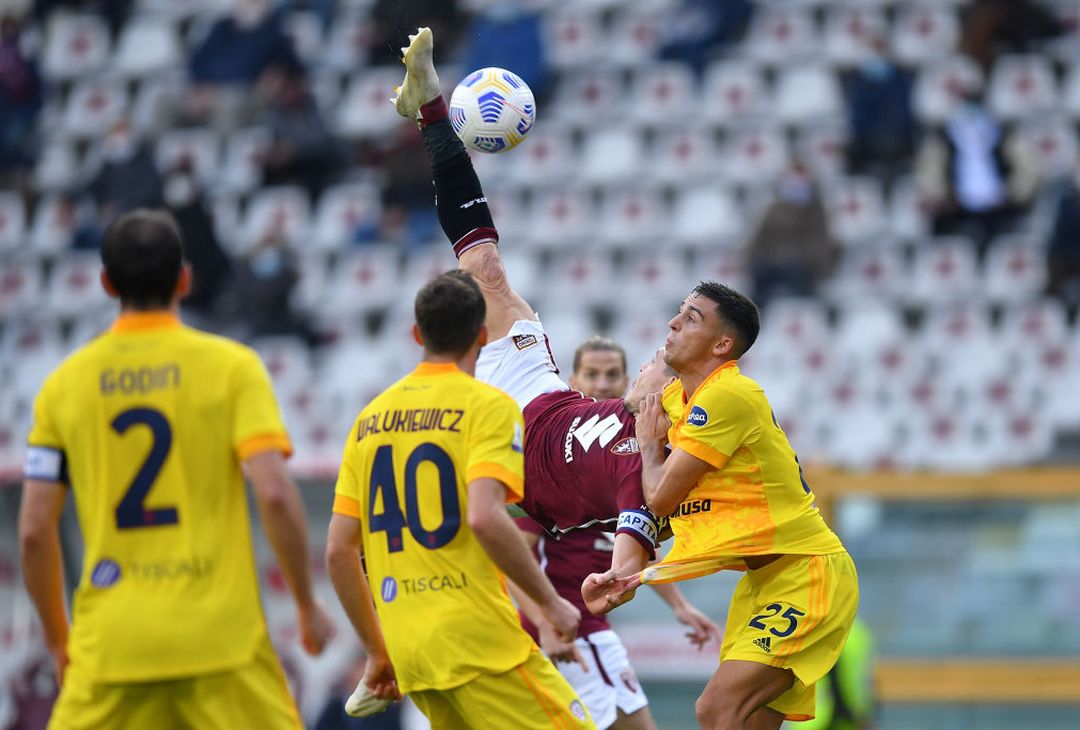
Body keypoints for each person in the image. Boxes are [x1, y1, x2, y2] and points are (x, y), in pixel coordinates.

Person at [18, 209, 334, 729]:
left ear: (104, 283)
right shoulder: (232, 368)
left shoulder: (64, 386)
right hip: (220, 641)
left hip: (113, 644)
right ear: (184, 279)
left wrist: (58, 642)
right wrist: (305, 604)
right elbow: (274, 495)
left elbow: (32, 532)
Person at [389, 27, 672, 588]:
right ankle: (430, 109)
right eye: (659, 363)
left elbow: (640, 530)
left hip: (512, 455)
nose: (654, 365)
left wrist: (620, 578)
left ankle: (382, 645)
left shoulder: (649, 465)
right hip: (541, 393)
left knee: (434, 528)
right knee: (486, 270)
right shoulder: (624, 413)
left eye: (661, 370)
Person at [325, 270, 594, 728]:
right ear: (483, 336)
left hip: (412, 652)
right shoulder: (488, 406)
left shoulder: (369, 420)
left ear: (416, 333)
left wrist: (376, 650)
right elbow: (486, 518)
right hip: (477, 639)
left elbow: (338, 551)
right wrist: (550, 604)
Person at [616, 282, 859, 730]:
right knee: (746, 723)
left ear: (722, 344)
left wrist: (650, 447)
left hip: (807, 575)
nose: (672, 323)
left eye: (691, 318)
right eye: (678, 312)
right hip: (762, 582)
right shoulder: (678, 400)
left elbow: (660, 496)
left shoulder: (729, 395)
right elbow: (634, 441)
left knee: (716, 709)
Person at [511, 336, 721, 730]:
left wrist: (677, 604)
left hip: (584, 625)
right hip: (570, 631)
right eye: (592, 374)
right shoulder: (559, 453)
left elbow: (630, 538)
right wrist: (543, 621)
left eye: (612, 374)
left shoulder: (627, 446)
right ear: (572, 379)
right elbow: (512, 555)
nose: (603, 382)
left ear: (629, 379)